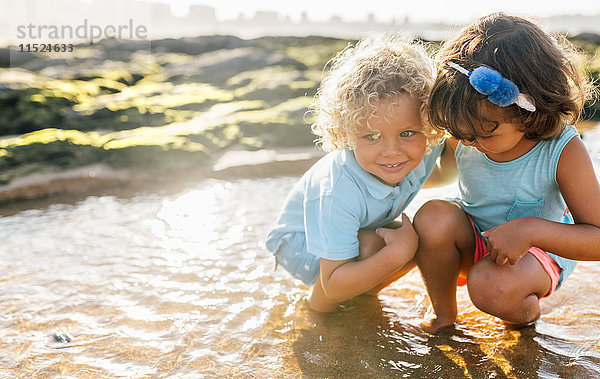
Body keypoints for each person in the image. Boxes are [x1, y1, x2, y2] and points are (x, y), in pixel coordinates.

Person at [413, 13, 600, 332]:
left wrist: (530, 231)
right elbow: (438, 174)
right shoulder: (471, 128)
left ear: (530, 110)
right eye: (464, 133)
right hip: (479, 240)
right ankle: (445, 316)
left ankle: (523, 316)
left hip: (537, 254)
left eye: (485, 133)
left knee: (490, 286)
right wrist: (387, 182)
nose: (472, 143)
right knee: (431, 215)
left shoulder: (562, 149)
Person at [265, 34, 452, 312]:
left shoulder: (421, 148)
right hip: (300, 244)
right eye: (372, 136)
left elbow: (443, 176)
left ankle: (360, 293)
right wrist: (397, 253)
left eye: (407, 133)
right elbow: (333, 283)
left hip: (353, 232)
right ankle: (313, 316)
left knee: (421, 235)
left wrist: (458, 136)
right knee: (372, 249)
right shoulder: (337, 190)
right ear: (347, 133)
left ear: (428, 124)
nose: (392, 151)